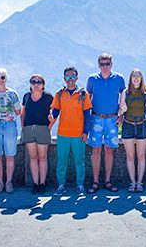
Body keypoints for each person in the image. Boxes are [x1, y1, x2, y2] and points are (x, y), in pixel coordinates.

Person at [86, 53, 126, 194]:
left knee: (109, 149)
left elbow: (123, 98)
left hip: (112, 119)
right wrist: (86, 120)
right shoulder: (92, 79)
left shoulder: (119, 79)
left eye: (107, 64)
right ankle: (96, 182)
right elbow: (87, 100)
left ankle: (108, 181)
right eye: (102, 64)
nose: (104, 67)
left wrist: (121, 115)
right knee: (95, 150)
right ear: (98, 65)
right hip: (96, 118)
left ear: (111, 64)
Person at [50, 66, 92, 195]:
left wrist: (86, 132)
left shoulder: (83, 94)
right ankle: (61, 185)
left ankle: (80, 186)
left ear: (77, 77)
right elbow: (55, 111)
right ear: (64, 79)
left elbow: (87, 114)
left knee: (80, 161)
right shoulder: (59, 94)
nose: (70, 79)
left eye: (73, 76)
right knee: (61, 161)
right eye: (68, 77)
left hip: (78, 134)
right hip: (63, 133)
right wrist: (52, 117)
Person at [0, 68, 22, 194]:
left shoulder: (13, 94)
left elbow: (19, 111)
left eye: (2, 77)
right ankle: (0, 182)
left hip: (9, 125)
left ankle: (8, 182)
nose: (0, 80)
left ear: (6, 79)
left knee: (10, 155)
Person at [21, 74, 53, 194]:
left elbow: (54, 113)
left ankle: (42, 183)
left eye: (39, 82)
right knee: (33, 157)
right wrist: (23, 127)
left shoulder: (48, 97)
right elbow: (22, 112)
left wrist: (49, 127)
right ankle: (35, 183)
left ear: (43, 85)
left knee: (42, 157)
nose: (36, 84)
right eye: (33, 82)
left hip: (43, 129)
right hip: (29, 129)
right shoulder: (26, 96)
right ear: (30, 84)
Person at [120, 69, 146, 193]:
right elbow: (120, 111)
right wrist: (122, 109)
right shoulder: (125, 93)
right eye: (134, 77)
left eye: (138, 77)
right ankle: (132, 183)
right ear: (130, 79)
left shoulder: (145, 92)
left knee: (141, 156)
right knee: (130, 156)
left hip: (141, 125)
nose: (136, 79)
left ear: (141, 79)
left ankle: (139, 183)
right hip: (128, 125)